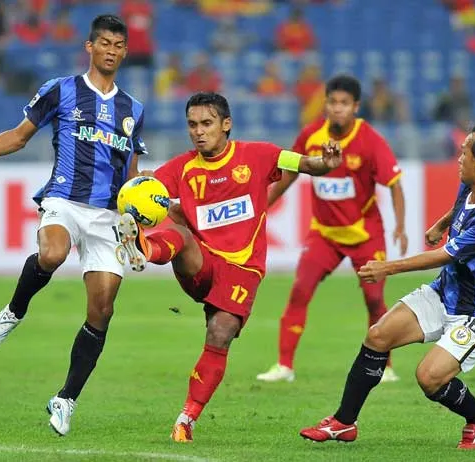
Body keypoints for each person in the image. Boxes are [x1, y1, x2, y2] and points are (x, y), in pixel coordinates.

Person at [0, 15, 148, 436]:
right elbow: (19, 137)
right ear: (89, 46)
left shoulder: (133, 109)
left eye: (118, 45)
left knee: (103, 310)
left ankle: (65, 399)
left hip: (108, 215)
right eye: (104, 43)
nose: (111, 50)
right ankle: (14, 311)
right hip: (64, 199)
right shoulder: (61, 89)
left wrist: (135, 221)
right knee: (52, 253)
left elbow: (132, 174)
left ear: (125, 52)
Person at [118, 91, 343, 442]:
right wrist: (141, 185)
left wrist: (325, 163)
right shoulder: (182, 167)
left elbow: (305, 164)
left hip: (243, 269)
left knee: (220, 332)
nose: (198, 131)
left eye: (206, 123)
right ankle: (144, 248)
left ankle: (186, 419)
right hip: (201, 263)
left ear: (226, 124)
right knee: (181, 233)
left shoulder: (260, 155)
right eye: (192, 125)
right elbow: (148, 194)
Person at [299, 117, 475, 450]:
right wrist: (440, 224)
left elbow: (443, 256)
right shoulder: (470, 185)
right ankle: (343, 423)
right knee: (378, 336)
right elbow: (458, 208)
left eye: (464, 152)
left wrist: (387, 267)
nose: (459, 157)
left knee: (429, 377)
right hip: (445, 293)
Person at [257, 75, 407, 384]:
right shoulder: (310, 136)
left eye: (344, 103)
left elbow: (394, 185)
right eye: (333, 102)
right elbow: (289, 175)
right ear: (325, 104)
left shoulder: (370, 140)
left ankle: (386, 367)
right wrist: (263, 206)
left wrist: (401, 227)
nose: (337, 109)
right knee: (300, 290)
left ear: (356, 107)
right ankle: (284, 366)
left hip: (365, 235)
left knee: (374, 300)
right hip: (324, 235)